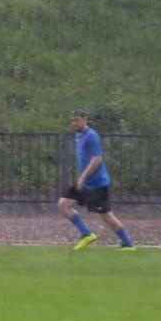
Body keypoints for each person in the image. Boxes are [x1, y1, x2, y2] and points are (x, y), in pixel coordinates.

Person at [58, 108, 135, 251]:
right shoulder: (78, 136)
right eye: (72, 120)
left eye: (77, 120)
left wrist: (83, 177)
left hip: (97, 184)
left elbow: (97, 159)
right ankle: (87, 234)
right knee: (63, 204)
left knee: (106, 216)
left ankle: (128, 244)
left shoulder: (91, 136)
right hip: (85, 183)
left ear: (85, 120)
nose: (74, 123)